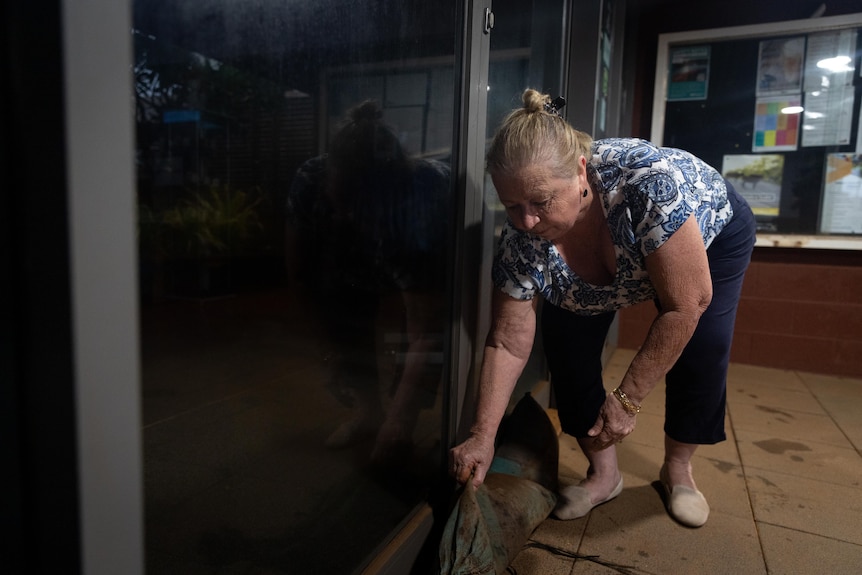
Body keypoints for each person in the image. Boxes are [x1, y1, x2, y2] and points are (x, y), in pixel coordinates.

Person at [449, 89, 756, 528]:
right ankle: (604, 474)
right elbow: (507, 342)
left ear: (580, 172)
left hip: (710, 230)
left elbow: (687, 304)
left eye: (540, 201)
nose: (527, 221)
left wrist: (628, 399)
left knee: (701, 343)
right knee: (568, 354)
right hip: (610, 268)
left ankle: (679, 469)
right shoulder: (522, 240)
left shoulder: (644, 180)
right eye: (511, 206)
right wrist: (483, 435)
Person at [286, 100, 450, 466]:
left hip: (424, 249)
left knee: (427, 338)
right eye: (344, 201)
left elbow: (425, 328)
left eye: (362, 206)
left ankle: (401, 425)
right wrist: (330, 353)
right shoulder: (312, 182)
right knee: (342, 315)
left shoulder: (421, 199)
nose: (351, 212)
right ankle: (369, 414)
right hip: (348, 264)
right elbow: (299, 275)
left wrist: (399, 424)